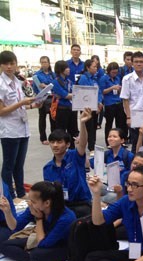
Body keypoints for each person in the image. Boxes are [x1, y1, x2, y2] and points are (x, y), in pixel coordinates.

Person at [0, 181, 76, 261]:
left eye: (33, 201)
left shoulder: (66, 218)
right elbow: (15, 227)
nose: (29, 204)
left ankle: (40, 259)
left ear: (47, 203)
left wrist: (39, 219)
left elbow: (42, 243)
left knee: (38, 254)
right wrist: (7, 212)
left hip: (62, 245)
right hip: (43, 238)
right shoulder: (35, 207)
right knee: (4, 245)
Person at [0, 51, 40, 201]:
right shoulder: (1, 84)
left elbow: (20, 106)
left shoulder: (17, 81)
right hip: (9, 130)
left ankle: (21, 193)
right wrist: (22, 103)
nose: (9, 67)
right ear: (1, 65)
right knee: (9, 165)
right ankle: (9, 194)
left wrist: (34, 105)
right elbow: (1, 111)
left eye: (12, 63)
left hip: (23, 128)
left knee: (19, 164)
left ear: (16, 64)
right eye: (6, 64)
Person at [44, 108, 92, 218]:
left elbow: (83, 144)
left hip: (81, 205)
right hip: (62, 207)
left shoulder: (75, 156)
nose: (55, 145)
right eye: (52, 142)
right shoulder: (47, 168)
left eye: (59, 142)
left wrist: (83, 123)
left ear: (67, 144)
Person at [121, 51, 143, 152]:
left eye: (141, 61)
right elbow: (125, 99)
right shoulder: (127, 79)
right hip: (134, 115)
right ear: (132, 63)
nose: (139, 64)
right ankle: (135, 163)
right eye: (136, 61)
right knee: (136, 141)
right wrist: (128, 117)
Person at [77, 59, 104, 152]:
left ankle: (93, 144)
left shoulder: (94, 78)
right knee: (88, 127)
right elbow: (85, 94)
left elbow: (98, 92)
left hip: (96, 106)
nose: (96, 68)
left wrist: (100, 102)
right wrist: (94, 105)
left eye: (97, 67)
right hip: (87, 107)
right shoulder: (83, 78)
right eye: (94, 67)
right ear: (88, 67)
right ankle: (90, 147)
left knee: (93, 127)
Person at [52, 60, 78, 148]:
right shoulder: (56, 82)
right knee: (61, 132)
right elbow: (66, 95)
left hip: (71, 108)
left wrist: (71, 95)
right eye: (66, 68)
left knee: (73, 131)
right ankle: (61, 149)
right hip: (62, 109)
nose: (69, 69)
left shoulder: (69, 81)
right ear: (61, 69)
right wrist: (71, 95)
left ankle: (72, 149)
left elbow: (74, 92)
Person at [99, 62, 126, 145]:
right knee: (109, 123)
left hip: (118, 102)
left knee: (120, 123)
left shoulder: (117, 78)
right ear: (109, 71)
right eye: (113, 72)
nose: (114, 74)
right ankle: (109, 142)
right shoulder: (104, 78)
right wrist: (112, 88)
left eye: (116, 72)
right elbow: (102, 91)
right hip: (109, 103)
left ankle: (120, 140)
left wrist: (120, 89)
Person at [33, 56, 56, 145]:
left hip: (52, 97)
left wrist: (47, 86)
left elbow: (55, 85)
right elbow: (35, 87)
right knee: (42, 118)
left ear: (49, 63)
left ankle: (53, 137)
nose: (44, 64)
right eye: (42, 62)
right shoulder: (37, 74)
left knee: (53, 118)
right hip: (42, 98)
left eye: (45, 62)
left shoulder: (52, 74)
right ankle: (43, 138)